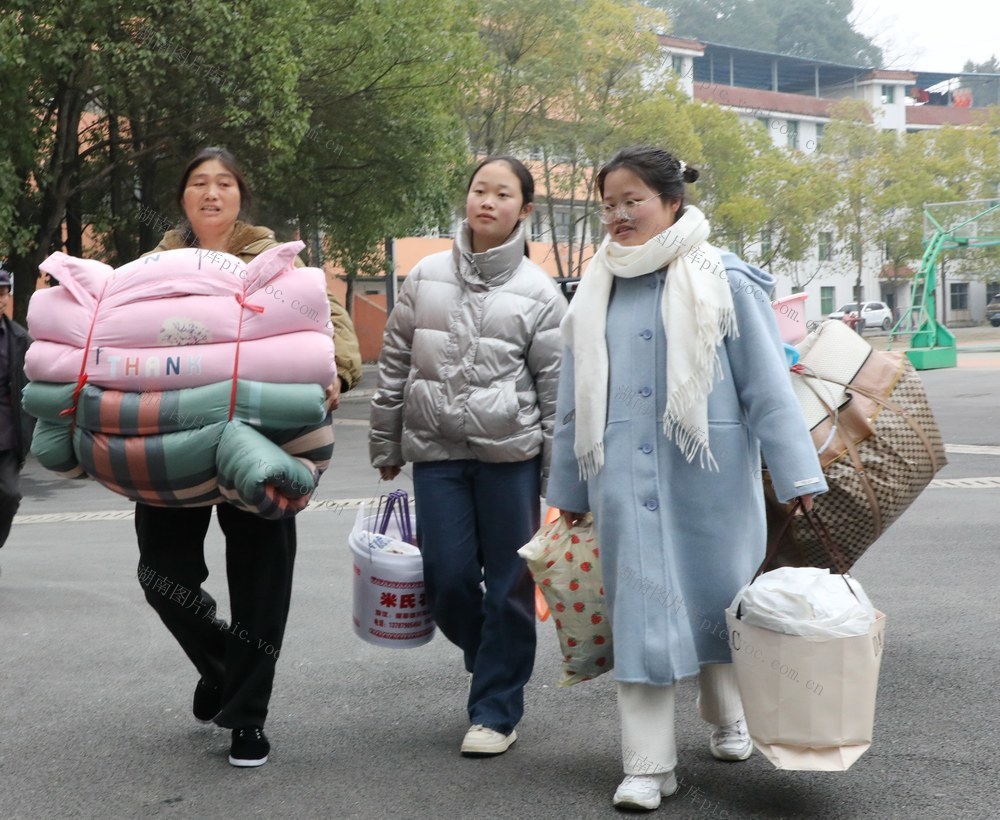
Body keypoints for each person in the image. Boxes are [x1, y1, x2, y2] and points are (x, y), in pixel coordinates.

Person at [545, 146, 827, 811]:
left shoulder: (722, 277)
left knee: (717, 606)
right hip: (620, 478)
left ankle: (726, 713)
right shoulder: (596, 288)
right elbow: (571, 401)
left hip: (710, 476)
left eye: (632, 201)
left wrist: (797, 474)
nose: (618, 216)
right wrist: (567, 492)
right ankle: (648, 766)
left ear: (672, 202)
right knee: (641, 615)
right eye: (608, 204)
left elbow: (766, 385)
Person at [134, 147, 358, 768]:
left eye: (224, 183)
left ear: (240, 196)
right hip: (172, 436)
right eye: (199, 182)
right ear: (183, 197)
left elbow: (330, 319)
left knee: (261, 580)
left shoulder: (278, 260)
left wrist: (336, 368)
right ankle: (225, 666)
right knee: (162, 574)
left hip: (265, 437)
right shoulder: (152, 266)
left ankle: (248, 718)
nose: (211, 193)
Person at [369, 155, 567, 756]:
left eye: (502, 194)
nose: (487, 201)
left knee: (509, 585)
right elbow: (395, 362)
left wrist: (560, 480)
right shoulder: (425, 275)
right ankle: (494, 662)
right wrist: (385, 439)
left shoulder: (541, 293)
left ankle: (495, 711)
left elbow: (558, 391)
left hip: (511, 456)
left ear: (524, 210)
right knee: (447, 577)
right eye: (479, 189)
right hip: (436, 451)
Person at [0, 267, 34, 560]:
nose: (0, 298)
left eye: (3, 292)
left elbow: (34, 385)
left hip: (8, 436)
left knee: (9, 496)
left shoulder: (19, 339)